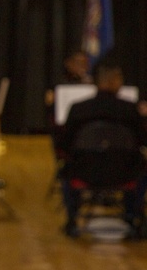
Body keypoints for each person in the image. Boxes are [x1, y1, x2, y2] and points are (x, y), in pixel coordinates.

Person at [58, 57, 147, 238]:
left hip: (84, 172)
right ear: (113, 81)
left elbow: (64, 145)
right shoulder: (130, 109)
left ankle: (73, 218)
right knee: (142, 167)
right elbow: (142, 141)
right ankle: (132, 215)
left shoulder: (79, 109)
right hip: (124, 173)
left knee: (65, 169)